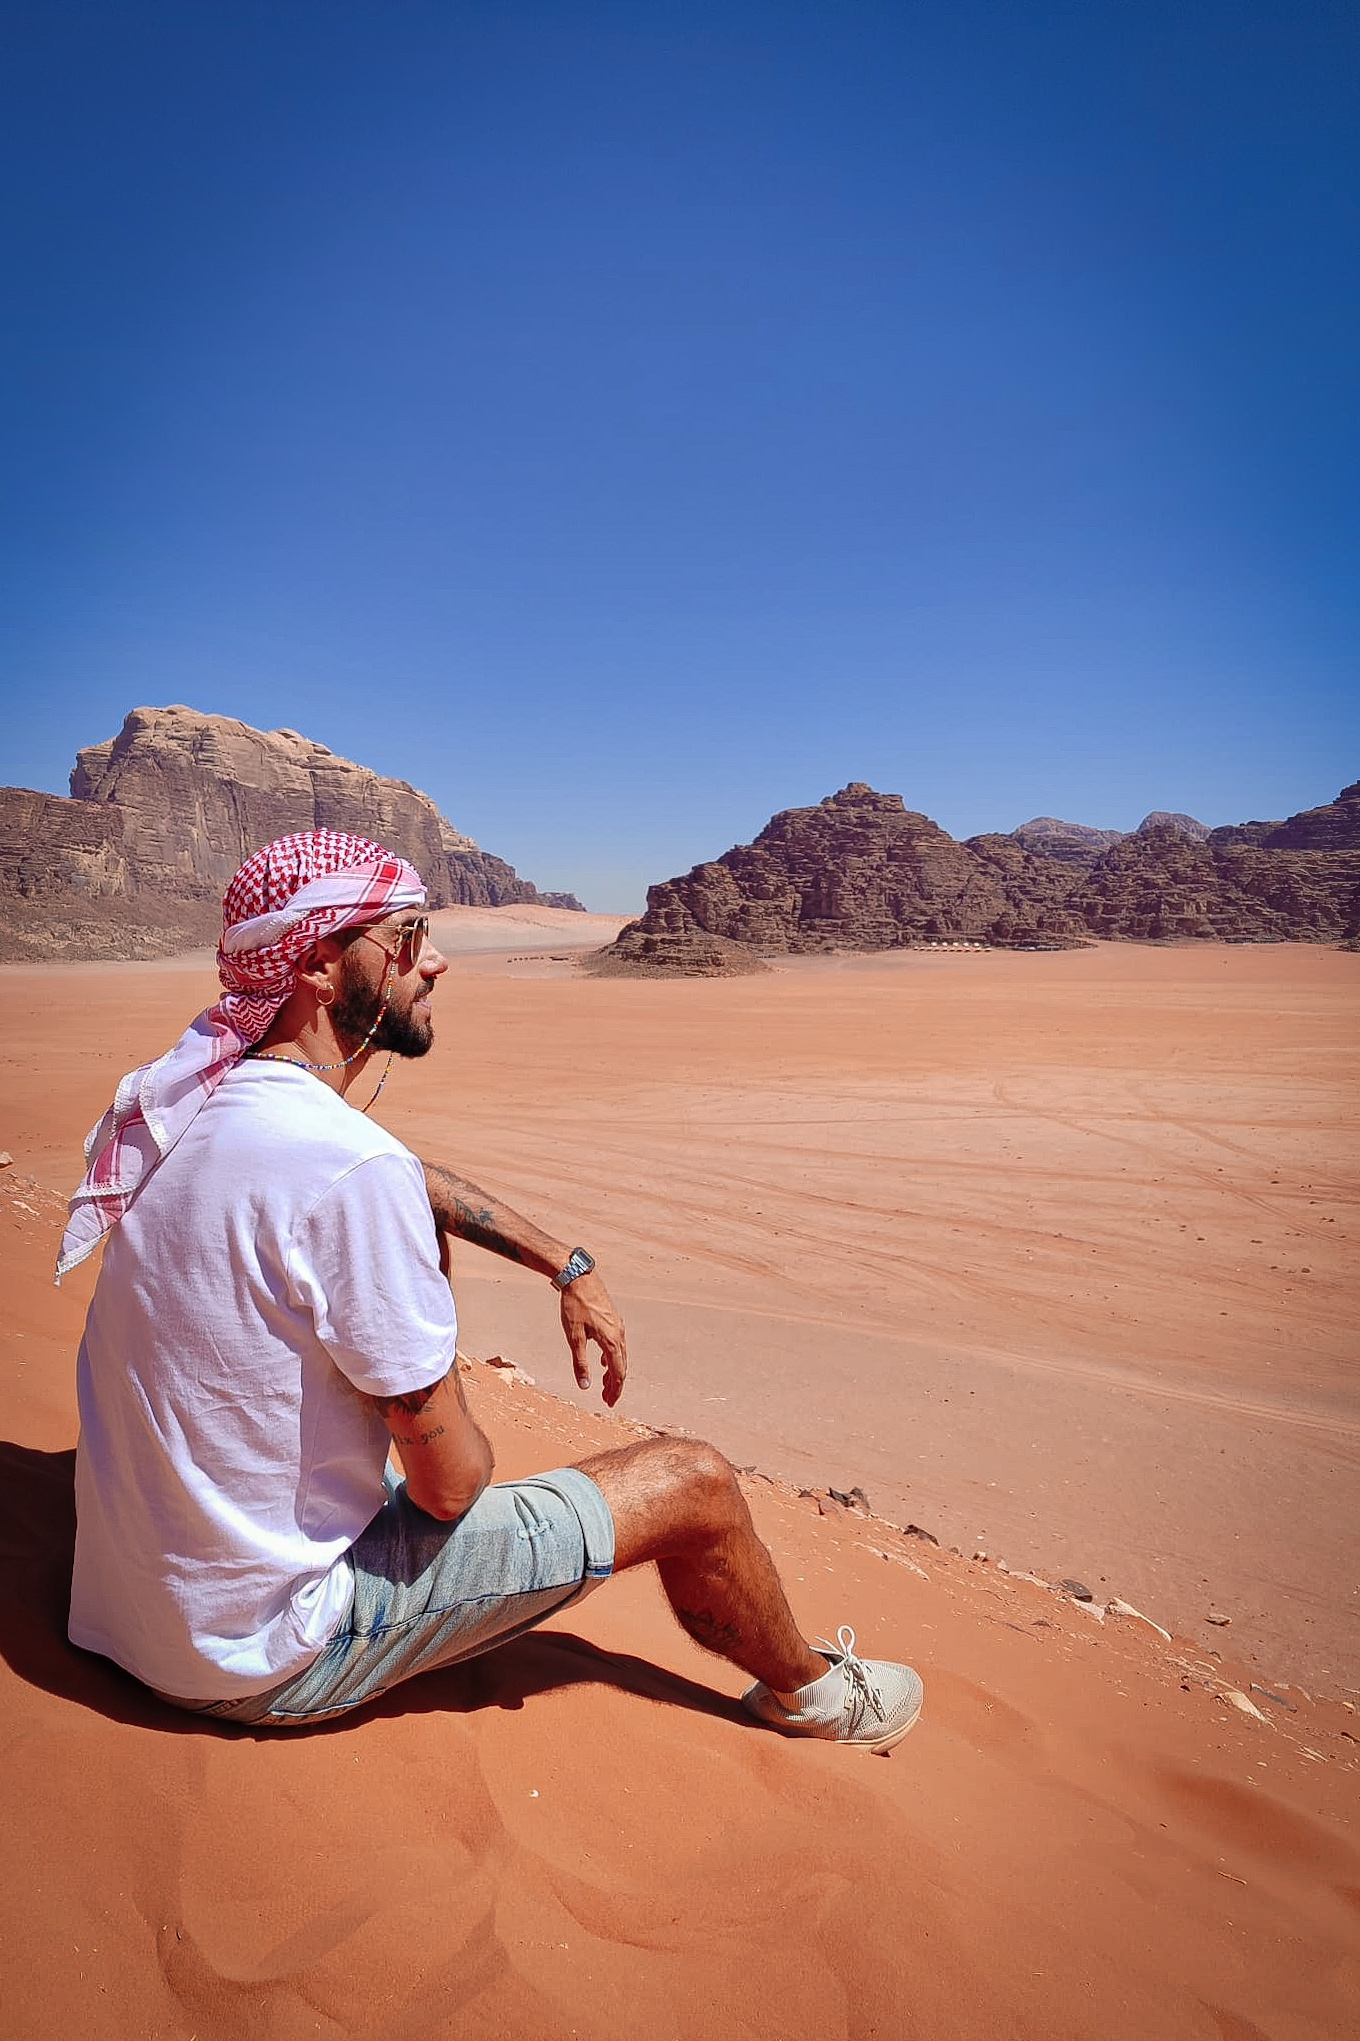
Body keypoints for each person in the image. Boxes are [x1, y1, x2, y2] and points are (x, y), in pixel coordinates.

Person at [61, 829, 923, 1749]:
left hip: (127, 1610)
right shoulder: (349, 1171)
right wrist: (432, 1309)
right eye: (407, 937)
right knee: (695, 1483)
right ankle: (817, 1694)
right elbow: (452, 1488)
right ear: (318, 961)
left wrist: (564, 1261)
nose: (435, 962)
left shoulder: (180, 1109)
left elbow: (383, 1174)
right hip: (255, 1656)